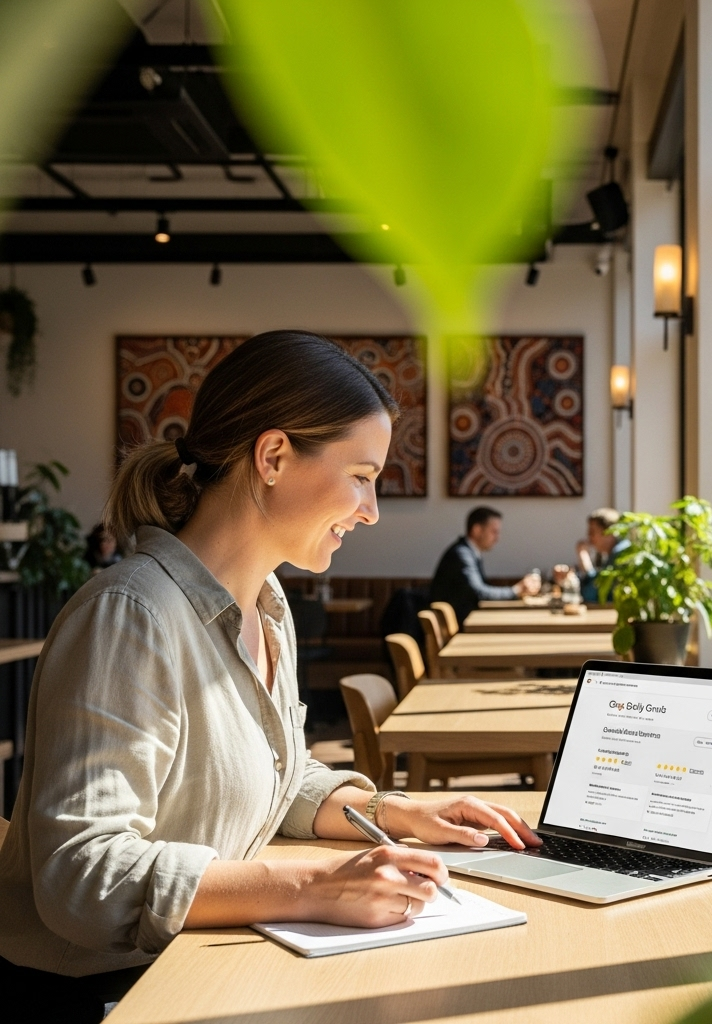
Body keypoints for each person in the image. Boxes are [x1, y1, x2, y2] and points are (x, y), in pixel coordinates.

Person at [0, 332, 539, 1023]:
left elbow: (269, 777)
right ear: (274, 456)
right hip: (105, 997)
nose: (371, 510)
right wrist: (313, 884)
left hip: (199, 969)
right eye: (363, 476)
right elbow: (83, 877)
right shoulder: (129, 617)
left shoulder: (268, 609)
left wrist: (393, 812)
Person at [429, 506, 540, 625]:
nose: (497, 538)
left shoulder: (469, 552)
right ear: (477, 530)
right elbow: (479, 592)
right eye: (494, 532)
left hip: (466, 622)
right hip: (461, 628)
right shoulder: (462, 554)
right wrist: (516, 590)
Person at [575, 507, 628, 603]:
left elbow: (592, 595)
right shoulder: (618, 551)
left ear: (610, 532)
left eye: (592, 532)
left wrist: (584, 557)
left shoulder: (620, 554)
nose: (589, 538)